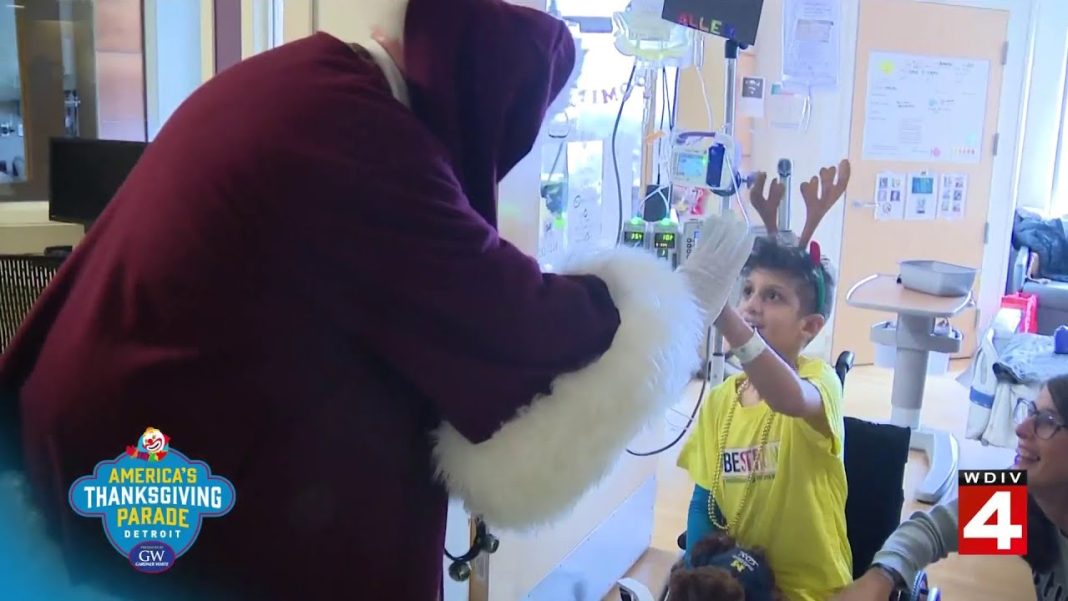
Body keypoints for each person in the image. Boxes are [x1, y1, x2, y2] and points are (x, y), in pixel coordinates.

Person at [0, 1, 756, 600]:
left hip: (89, 437)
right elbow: (507, 318)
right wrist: (673, 304)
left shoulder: (296, 78)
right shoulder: (356, 134)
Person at [675, 235, 853, 601]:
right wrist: (699, 577)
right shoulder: (722, 400)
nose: (752, 306)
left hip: (809, 592)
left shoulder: (821, 383)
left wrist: (723, 314)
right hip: (741, 584)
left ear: (810, 326)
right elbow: (703, 504)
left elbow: (788, 398)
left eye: (773, 297)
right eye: (747, 291)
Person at [832, 374, 1068, 601]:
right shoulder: (1021, 496)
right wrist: (881, 575)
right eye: (1031, 412)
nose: (1021, 429)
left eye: (1047, 421)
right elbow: (930, 529)